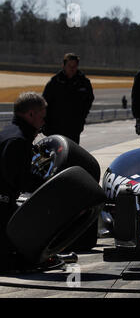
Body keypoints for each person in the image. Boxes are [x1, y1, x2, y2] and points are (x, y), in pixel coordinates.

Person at [0, 92, 46, 272]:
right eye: (42, 117)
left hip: (5, 202)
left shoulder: (8, 132)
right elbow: (22, 180)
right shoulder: (18, 141)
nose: (43, 122)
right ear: (31, 115)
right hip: (2, 206)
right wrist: (48, 183)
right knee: (17, 260)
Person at [42, 53, 94, 144]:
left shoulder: (84, 82)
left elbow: (89, 100)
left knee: (72, 154)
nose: (72, 68)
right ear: (64, 65)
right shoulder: (55, 82)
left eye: (74, 66)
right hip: (54, 127)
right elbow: (44, 102)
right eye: (69, 65)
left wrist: (81, 118)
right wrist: (45, 124)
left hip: (74, 128)